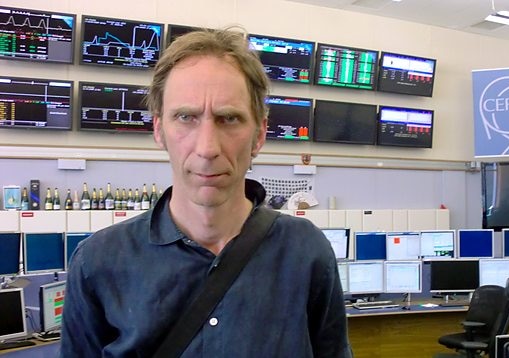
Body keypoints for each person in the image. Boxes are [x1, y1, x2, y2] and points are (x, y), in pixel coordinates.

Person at [60, 28, 352, 357]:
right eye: (186, 117)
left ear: (259, 135)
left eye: (229, 118)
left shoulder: (306, 252)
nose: (207, 147)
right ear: (159, 130)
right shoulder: (97, 263)